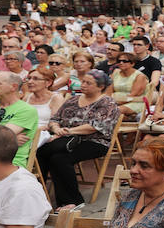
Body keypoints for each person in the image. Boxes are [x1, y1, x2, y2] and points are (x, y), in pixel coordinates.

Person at [36, 70, 120, 209]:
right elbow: (55, 118)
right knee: (41, 152)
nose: (83, 85)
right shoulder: (73, 100)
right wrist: (56, 128)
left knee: (59, 159)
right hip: (65, 138)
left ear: (100, 86)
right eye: (83, 82)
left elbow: (96, 126)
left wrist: (68, 131)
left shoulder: (107, 103)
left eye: (88, 83)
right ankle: (38, 195)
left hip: (94, 141)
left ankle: (72, 201)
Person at [23, 67, 65, 145]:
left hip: (44, 135)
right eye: (29, 78)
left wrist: (36, 130)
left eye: (35, 79)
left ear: (48, 83)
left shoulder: (56, 98)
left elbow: (57, 122)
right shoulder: (27, 97)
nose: (30, 82)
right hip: (24, 132)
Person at [110, 52, 149, 120]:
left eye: (125, 61)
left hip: (134, 102)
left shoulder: (139, 76)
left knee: (114, 110)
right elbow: (109, 91)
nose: (121, 63)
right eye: (119, 61)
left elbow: (134, 95)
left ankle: (127, 119)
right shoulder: (115, 72)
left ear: (132, 63)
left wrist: (116, 102)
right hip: (114, 101)